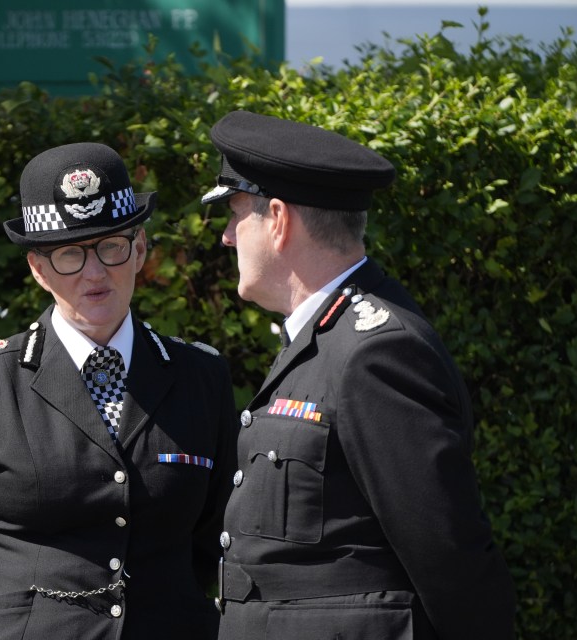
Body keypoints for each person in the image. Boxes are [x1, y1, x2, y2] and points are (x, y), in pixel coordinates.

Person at [0, 142, 238, 639]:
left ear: (139, 249)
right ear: (38, 269)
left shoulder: (200, 377)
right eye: (69, 254)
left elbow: (213, 540)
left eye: (111, 246)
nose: (94, 271)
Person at [202, 110, 516, 639]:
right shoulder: (324, 338)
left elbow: (446, 554)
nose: (228, 238)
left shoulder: (376, 353)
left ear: (278, 220)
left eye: (235, 215)